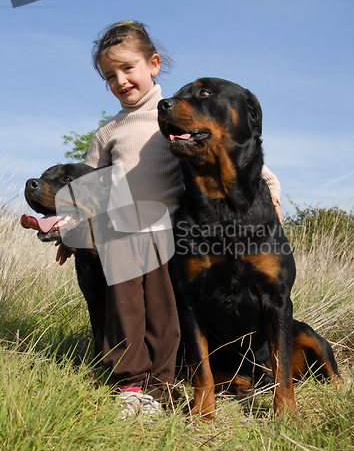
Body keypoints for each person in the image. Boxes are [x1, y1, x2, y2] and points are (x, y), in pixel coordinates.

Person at [57, 20, 283, 416]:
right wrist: (69, 232)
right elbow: (86, 187)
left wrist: (273, 190)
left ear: (153, 64)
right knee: (125, 308)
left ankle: (161, 384)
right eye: (110, 76)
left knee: (164, 312)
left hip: (171, 232)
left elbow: (236, 155)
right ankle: (130, 382)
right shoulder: (107, 132)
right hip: (122, 231)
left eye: (128, 68)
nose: (121, 81)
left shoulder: (177, 115)